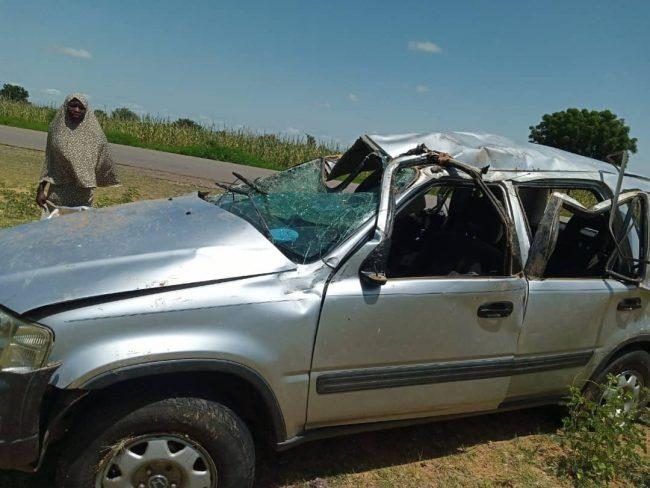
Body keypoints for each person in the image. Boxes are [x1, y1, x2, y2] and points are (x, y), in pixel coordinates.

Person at [36, 93, 120, 211]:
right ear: (65, 106)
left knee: (79, 225)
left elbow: (104, 158)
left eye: (81, 107)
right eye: (73, 106)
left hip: (83, 192)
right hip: (59, 190)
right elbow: (49, 163)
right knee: (55, 224)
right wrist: (40, 191)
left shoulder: (95, 134)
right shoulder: (56, 130)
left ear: (86, 110)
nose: (76, 110)